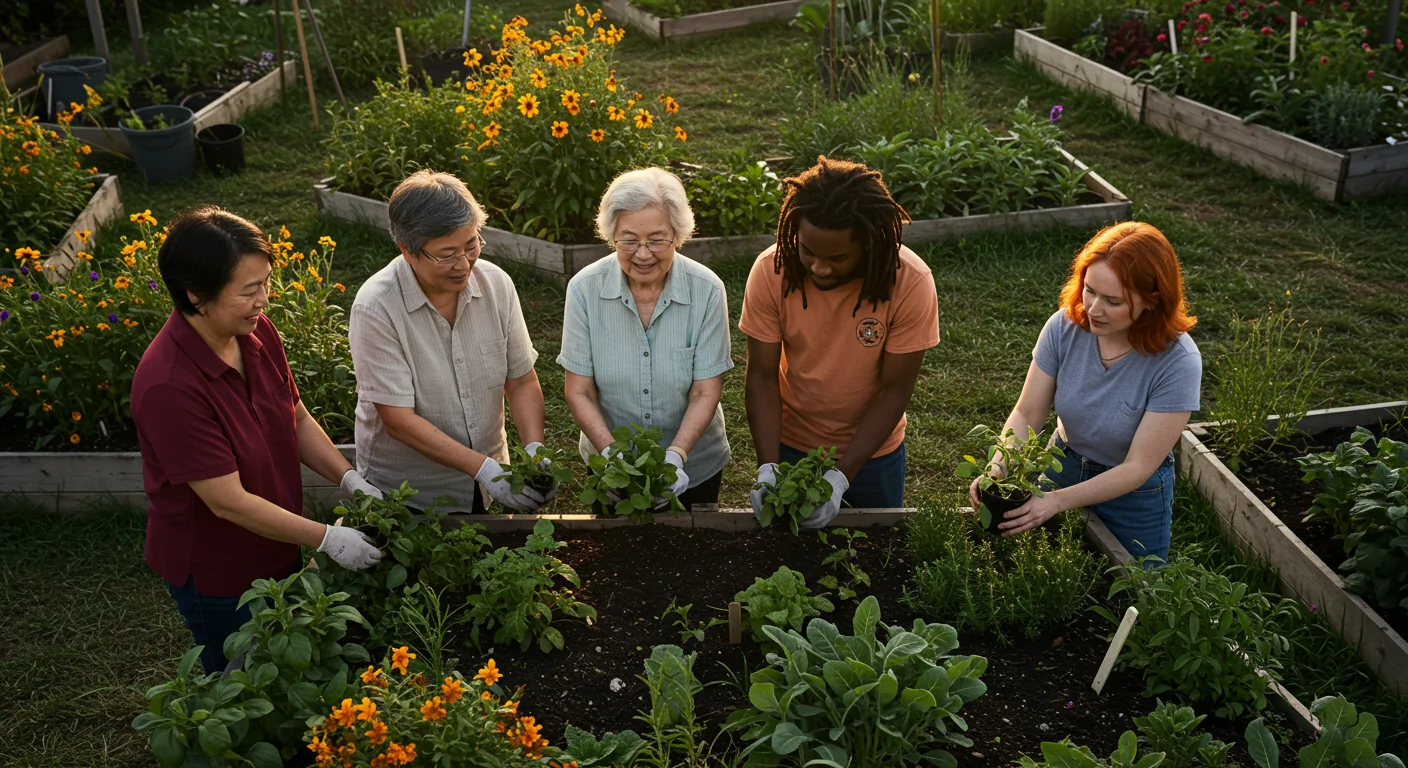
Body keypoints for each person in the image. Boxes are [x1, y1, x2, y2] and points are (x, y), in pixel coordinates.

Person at [133, 206, 383, 677]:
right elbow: (226, 503)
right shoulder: (169, 385)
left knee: (285, 661)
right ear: (197, 296)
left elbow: (295, 416)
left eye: (266, 283)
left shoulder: (254, 332)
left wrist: (349, 478)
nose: (265, 300)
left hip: (276, 535)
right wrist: (328, 537)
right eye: (250, 291)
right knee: (238, 678)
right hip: (219, 567)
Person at [970, 222, 1201, 563]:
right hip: (1065, 462)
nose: (1093, 309)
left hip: (1135, 493)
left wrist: (1056, 501)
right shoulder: (1064, 327)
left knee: (1136, 587)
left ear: (1153, 300)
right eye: (1089, 290)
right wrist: (997, 470)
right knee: (1040, 568)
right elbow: (1027, 413)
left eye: (1113, 301)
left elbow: (1138, 466)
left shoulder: (1178, 362)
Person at [741, 157, 939, 528]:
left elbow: (894, 390)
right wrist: (768, 467)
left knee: (874, 558)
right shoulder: (772, 270)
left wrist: (840, 477)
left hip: (873, 452)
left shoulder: (910, 282)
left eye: (838, 258)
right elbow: (762, 376)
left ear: (868, 244)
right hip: (790, 444)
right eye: (808, 251)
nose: (819, 267)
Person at [349, 170, 553, 513]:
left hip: (486, 482)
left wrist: (535, 450)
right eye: (446, 255)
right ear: (408, 251)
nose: (464, 264)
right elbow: (399, 421)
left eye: (471, 245)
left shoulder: (496, 286)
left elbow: (520, 380)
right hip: (411, 493)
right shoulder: (376, 307)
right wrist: (486, 470)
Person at [558, 167, 733, 510]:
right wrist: (611, 458)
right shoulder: (584, 290)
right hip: (611, 466)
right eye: (629, 240)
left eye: (656, 240)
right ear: (612, 236)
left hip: (694, 466)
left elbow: (705, 390)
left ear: (677, 236)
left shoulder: (708, 290)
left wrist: (676, 457)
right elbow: (579, 389)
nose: (642, 253)